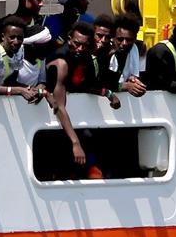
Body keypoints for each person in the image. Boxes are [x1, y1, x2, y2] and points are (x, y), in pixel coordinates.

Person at [42, 23, 119, 178]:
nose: (80, 49)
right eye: (77, 44)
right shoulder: (61, 61)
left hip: (74, 119)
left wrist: (107, 93)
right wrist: (75, 143)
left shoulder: (84, 56)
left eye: (84, 45)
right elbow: (60, 107)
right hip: (50, 123)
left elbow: (86, 85)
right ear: (69, 39)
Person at [0, 15, 45, 102]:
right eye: (12, 37)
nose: (16, 42)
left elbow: (10, 82)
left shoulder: (20, 50)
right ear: (2, 37)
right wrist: (19, 90)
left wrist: (30, 89)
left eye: (20, 38)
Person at [108, 13, 148, 96]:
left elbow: (136, 76)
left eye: (129, 40)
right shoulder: (106, 53)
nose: (124, 43)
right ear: (113, 37)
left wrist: (134, 81)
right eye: (120, 39)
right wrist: (125, 86)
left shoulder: (136, 49)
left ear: (135, 38)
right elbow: (103, 83)